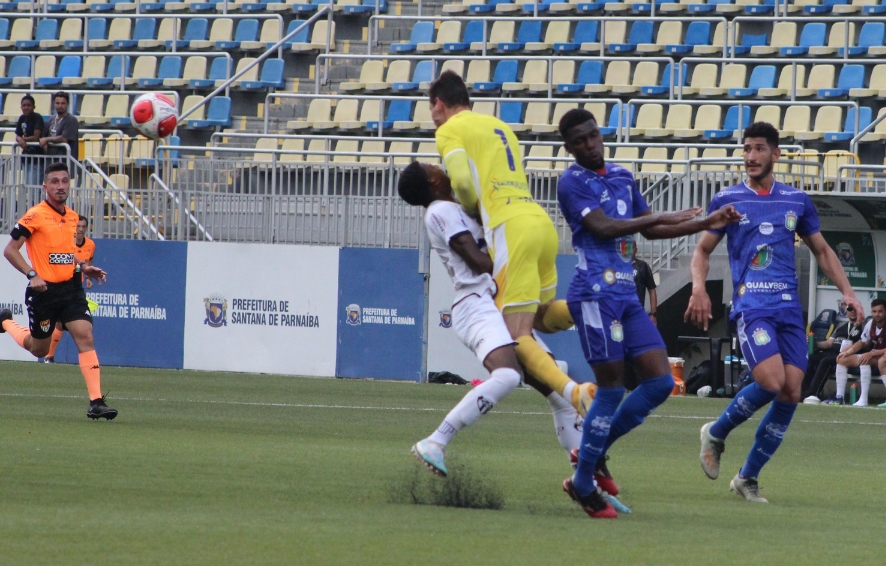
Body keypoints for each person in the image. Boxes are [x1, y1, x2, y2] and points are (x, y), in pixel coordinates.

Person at [555, 108, 742, 518]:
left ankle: (591, 452)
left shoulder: (622, 175)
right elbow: (604, 228)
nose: (589, 144)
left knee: (659, 383)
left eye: (593, 135)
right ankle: (584, 482)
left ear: (599, 133)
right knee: (610, 388)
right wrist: (658, 215)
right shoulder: (571, 182)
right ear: (569, 148)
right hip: (594, 294)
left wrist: (706, 222)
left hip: (625, 294)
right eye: (580, 141)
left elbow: (651, 229)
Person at [687, 122, 863, 503]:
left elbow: (821, 250)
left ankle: (747, 477)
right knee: (770, 381)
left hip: (788, 310)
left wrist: (848, 292)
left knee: (791, 392)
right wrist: (699, 288)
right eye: (746, 148)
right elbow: (701, 251)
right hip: (752, 308)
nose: (751, 156)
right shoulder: (728, 200)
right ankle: (716, 432)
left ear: (776, 154)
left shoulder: (797, 200)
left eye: (759, 149)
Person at [398, 161, 584, 476]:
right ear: (431, 179)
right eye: (434, 166)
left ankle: (585, 477)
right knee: (508, 376)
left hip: (496, 304)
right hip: (476, 304)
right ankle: (435, 441)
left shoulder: (455, 208)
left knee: (558, 392)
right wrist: (518, 259)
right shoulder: (439, 212)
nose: (443, 167)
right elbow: (477, 260)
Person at [429, 71, 595, 418]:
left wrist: (473, 211)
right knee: (542, 318)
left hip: (510, 228)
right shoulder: (501, 127)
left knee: (514, 334)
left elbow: (460, 181)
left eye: (432, 110)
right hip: (538, 220)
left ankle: (574, 392)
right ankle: (597, 307)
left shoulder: (448, 130)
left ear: (439, 104)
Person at [0, 162, 116, 420]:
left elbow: (66, 254)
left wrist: (84, 267)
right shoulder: (35, 215)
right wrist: (32, 275)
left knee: (85, 335)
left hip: (71, 290)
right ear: (45, 186)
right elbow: (10, 250)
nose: (61, 186)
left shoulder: (73, 217)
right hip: (44, 293)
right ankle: (6, 322)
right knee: (38, 349)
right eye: (55, 181)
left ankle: (96, 401)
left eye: (64, 181)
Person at [44, 214, 96, 364]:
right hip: (63, 283)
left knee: (76, 324)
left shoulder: (90, 245)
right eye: (77, 226)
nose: (80, 230)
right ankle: (49, 355)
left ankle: (50, 356)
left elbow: (89, 260)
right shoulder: (67, 243)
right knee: (59, 322)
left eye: (83, 227)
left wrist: (89, 278)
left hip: (76, 286)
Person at [802, 304, 866, 403]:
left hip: (847, 355)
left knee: (825, 361)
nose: (853, 311)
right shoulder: (841, 325)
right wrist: (816, 344)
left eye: (855, 309)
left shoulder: (864, 326)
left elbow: (864, 344)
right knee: (809, 358)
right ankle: (803, 393)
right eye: (850, 309)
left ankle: (813, 394)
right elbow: (828, 343)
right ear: (846, 312)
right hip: (832, 351)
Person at [837, 299, 886, 407]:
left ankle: (863, 398)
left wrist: (872, 354)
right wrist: (847, 352)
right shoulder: (870, 324)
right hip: (875, 356)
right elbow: (861, 342)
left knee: (866, 359)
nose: (877, 314)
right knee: (842, 360)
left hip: (881, 356)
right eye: (874, 311)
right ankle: (839, 397)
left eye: (880, 311)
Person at [40, 91, 79, 178]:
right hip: (51, 162)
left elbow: (64, 138)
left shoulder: (71, 120)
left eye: (63, 103)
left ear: (68, 104)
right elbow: (44, 136)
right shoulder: (51, 119)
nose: (60, 106)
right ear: (54, 103)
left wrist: (47, 140)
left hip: (65, 164)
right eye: (57, 103)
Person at [15, 94, 44, 187]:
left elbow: (36, 137)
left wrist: (23, 139)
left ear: (33, 107)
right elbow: (17, 135)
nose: (26, 108)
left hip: (37, 157)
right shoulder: (21, 118)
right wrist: (19, 139)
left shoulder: (37, 117)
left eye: (28, 105)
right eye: (24, 105)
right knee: (27, 185)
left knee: (34, 187)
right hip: (26, 157)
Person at [633, 247, 657, 324]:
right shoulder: (617, 267)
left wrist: (653, 314)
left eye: (631, 247)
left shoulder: (643, 266)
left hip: (637, 313)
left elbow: (652, 290)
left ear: (636, 250)